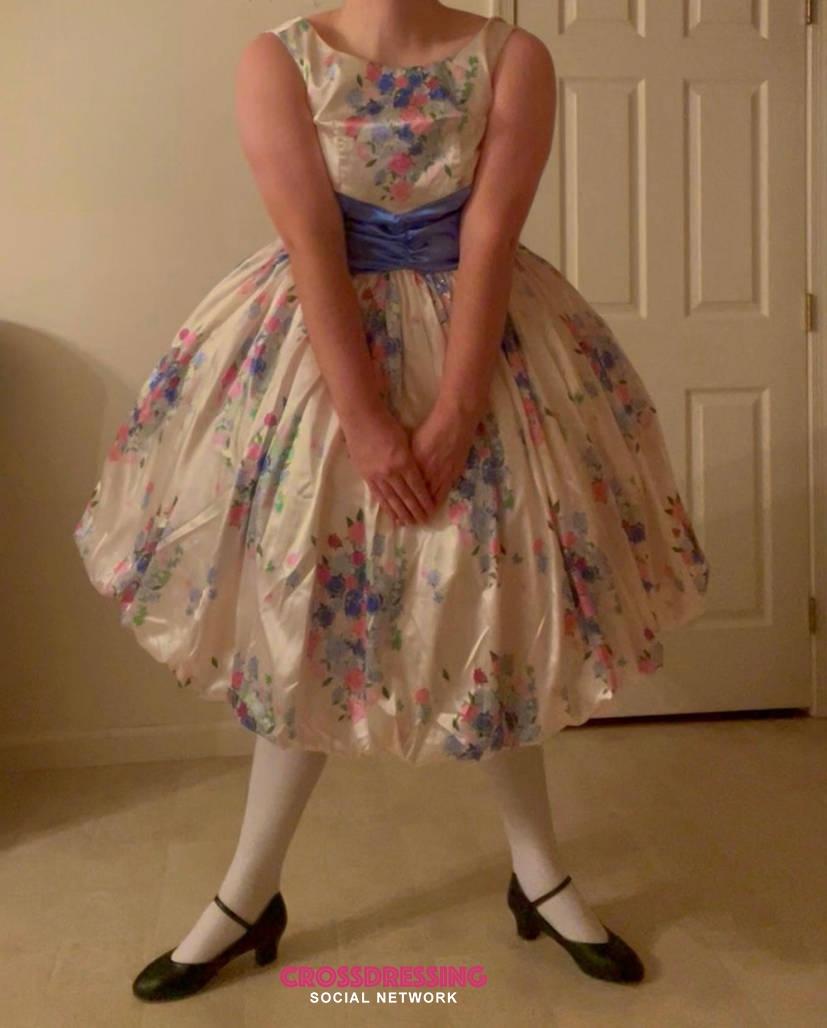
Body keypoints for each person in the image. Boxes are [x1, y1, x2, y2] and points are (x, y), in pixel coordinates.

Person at [73, 1, 710, 1001]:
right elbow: (311, 241)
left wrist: (456, 410)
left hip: (487, 354)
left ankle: (538, 875)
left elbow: (489, 234)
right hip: (318, 361)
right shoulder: (277, 61)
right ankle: (249, 891)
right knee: (303, 614)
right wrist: (365, 420)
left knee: (497, 602)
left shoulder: (513, 57)